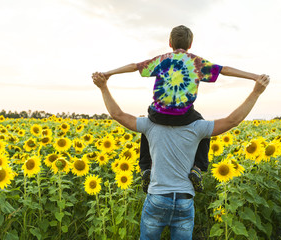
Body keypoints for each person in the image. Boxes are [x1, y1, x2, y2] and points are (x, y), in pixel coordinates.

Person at [92, 71, 269, 239]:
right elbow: (232, 120)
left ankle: (145, 169)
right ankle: (198, 168)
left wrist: (103, 87)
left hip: (157, 197)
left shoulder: (150, 125)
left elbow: (117, 114)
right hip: (184, 199)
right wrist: (256, 92)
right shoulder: (197, 127)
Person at [100, 25, 264, 193]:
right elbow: (225, 70)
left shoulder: (162, 59)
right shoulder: (196, 62)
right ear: (190, 44)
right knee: (204, 127)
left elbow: (134, 66)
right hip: (184, 115)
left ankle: (146, 168)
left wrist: (108, 73)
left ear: (170, 42)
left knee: (146, 127)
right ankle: (198, 167)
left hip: (158, 114)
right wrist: (254, 77)